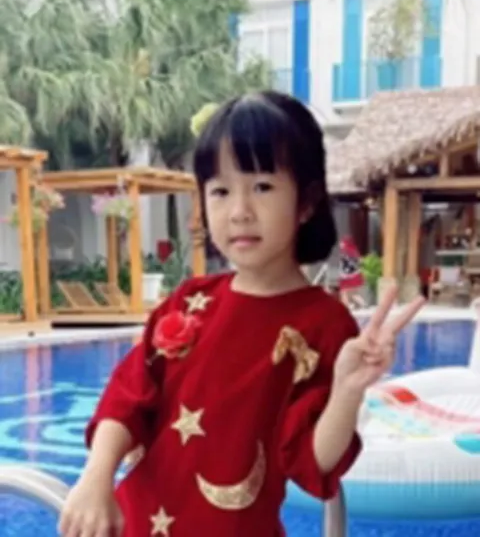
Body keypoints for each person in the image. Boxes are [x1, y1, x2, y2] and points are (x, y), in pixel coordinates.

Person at [58, 91, 424, 537]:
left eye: (262, 187)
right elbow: (129, 397)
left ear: (306, 201)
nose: (239, 212)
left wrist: (348, 390)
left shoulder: (323, 325)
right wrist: (96, 476)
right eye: (221, 191)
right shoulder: (188, 302)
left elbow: (313, 463)